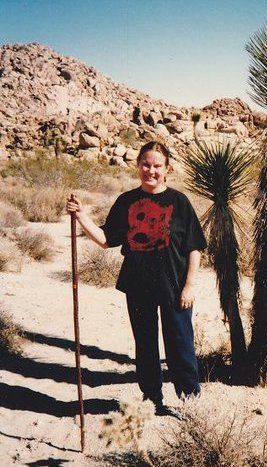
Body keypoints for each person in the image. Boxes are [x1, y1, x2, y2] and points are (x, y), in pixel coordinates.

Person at [66, 141, 207, 416]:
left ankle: (190, 397)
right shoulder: (126, 201)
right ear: (138, 165)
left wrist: (190, 286)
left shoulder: (179, 202)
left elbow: (194, 247)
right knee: (145, 343)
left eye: (157, 166)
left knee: (180, 343)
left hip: (175, 286)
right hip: (139, 284)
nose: (150, 171)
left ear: (167, 169)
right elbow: (107, 240)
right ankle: (151, 397)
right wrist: (82, 216)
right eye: (146, 164)